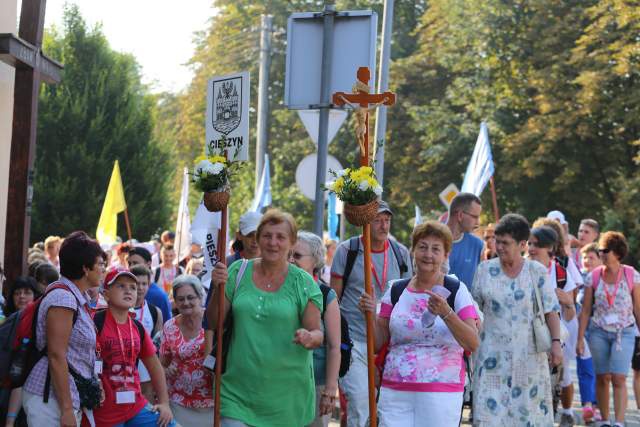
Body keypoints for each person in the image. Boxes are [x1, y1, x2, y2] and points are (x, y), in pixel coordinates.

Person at [208, 209, 323, 426]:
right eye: (267, 236)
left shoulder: (304, 283)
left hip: (287, 398)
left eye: (280, 237)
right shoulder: (237, 271)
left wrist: (310, 337)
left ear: (292, 242)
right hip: (237, 393)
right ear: (258, 239)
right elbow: (214, 323)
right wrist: (217, 288)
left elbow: (318, 333)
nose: (273, 242)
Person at [359, 221, 479, 426]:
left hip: (441, 393)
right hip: (395, 391)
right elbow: (378, 342)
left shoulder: (457, 290)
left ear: (446, 255)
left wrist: (446, 312)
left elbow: (472, 343)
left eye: (436, 249)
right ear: (413, 250)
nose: (428, 255)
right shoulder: (396, 290)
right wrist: (370, 314)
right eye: (422, 247)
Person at [471, 214, 562, 425]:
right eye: (497, 240)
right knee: (490, 416)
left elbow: (550, 311)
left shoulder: (536, 271)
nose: (499, 246)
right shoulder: (485, 270)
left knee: (527, 416)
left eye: (505, 242)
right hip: (491, 357)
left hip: (528, 358)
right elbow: (475, 309)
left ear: (522, 244)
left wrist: (556, 344)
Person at [330, 201, 412, 427]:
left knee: (385, 408)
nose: (384, 226)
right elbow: (333, 299)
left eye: (387, 220)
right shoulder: (348, 250)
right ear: (366, 222)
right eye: (378, 220)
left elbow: (408, 298)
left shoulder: (400, 252)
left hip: (389, 342)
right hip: (354, 341)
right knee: (359, 403)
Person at [23, 231, 106, 426]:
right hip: (50, 400)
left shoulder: (75, 296)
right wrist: (67, 409)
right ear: (86, 268)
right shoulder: (64, 299)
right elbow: (56, 355)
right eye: (100, 264)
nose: (104, 269)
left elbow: (74, 354)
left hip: (60, 398)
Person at [93, 268, 174, 427]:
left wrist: (164, 403)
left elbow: (155, 367)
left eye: (133, 287)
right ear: (106, 294)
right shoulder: (95, 323)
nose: (128, 291)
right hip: (104, 410)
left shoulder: (138, 327)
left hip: (136, 406)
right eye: (121, 286)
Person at [577, 231, 640, 427]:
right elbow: (586, 310)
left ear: (617, 252)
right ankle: (605, 420)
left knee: (619, 377)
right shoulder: (593, 277)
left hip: (625, 332)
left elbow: (638, 307)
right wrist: (580, 338)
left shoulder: (631, 274)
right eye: (601, 250)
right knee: (602, 377)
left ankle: (619, 422)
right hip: (599, 331)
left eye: (605, 250)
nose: (602, 253)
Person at [527, 226, 578, 425]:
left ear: (549, 247)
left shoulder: (561, 273)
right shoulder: (520, 268)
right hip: (525, 342)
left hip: (551, 343)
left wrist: (568, 302)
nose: (531, 248)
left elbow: (570, 315)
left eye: (536, 244)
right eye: (529, 243)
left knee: (548, 397)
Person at [291, 231, 341, 427]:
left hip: (316, 384)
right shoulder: (274, 289)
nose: (291, 260)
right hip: (279, 380)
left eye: (297, 256)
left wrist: (329, 390)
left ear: (316, 260)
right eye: (289, 254)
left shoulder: (326, 294)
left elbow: (335, 347)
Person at [159, 275, 213, 426]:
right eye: (181, 299)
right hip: (179, 403)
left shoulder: (213, 320)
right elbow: (161, 365)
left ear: (200, 297)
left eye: (191, 297)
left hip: (212, 403)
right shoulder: (169, 327)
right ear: (175, 302)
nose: (186, 302)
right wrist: (167, 370)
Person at [130, 265, 163, 403]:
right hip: (125, 364)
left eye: (144, 284)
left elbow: (158, 343)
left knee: (146, 398)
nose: (141, 288)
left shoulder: (155, 312)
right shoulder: (120, 309)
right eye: (137, 284)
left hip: (146, 365)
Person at [576, 243, 601, 423]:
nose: (587, 260)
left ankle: (597, 406)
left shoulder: (605, 279)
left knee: (600, 372)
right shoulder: (578, 278)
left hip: (601, 332)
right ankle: (587, 406)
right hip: (582, 332)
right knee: (585, 370)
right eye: (585, 257)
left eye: (591, 257)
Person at [446, 193, 484, 290]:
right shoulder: (431, 240)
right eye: (475, 217)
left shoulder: (478, 245)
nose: (478, 223)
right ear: (460, 215)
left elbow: (481, 285)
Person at [127, 247, 172, 324]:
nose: (131, 267)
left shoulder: (159, 296)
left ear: (148, 264)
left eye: (135, 263)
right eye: (129, 263)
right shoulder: (122, 292)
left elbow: (166, 326)